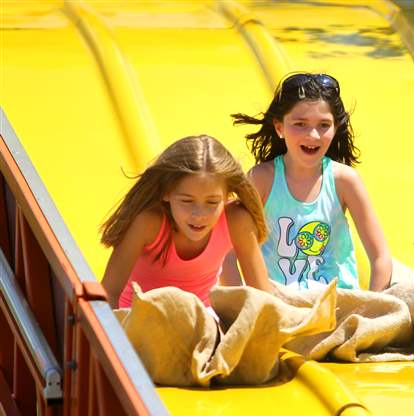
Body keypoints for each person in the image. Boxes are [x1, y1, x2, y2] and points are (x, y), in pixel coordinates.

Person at [232, 72, 391, 291]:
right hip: (280, 306)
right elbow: (227, 251)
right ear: (279, 127)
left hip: (335, 306)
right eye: (300, 124)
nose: (313, 135)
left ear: (335, 128)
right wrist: (245, 304)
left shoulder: (344, 181)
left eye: (324, 125)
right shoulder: (262, 179)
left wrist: (375, 307)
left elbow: (381, 257)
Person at [100, 134, 272, 309]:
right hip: (141, 321)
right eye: (187, 201)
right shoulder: (148, 223)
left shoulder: (236, 221)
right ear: (166, 192)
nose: (199, 214)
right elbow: (109, 292)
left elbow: (263, 297)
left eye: (212, 202)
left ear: (227, 196)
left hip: (201, 323)